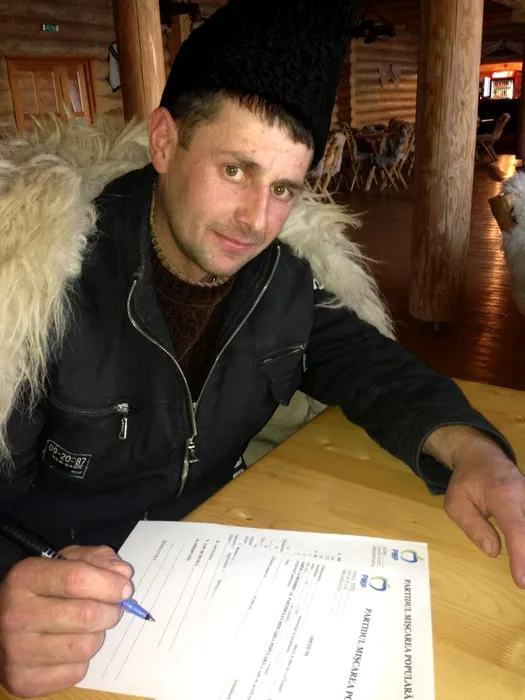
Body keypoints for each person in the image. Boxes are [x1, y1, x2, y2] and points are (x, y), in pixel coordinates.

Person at [0, 0, 524, 696]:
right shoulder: (35, 289)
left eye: (282, 188)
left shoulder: (282, 280)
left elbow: (368, 365)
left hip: (215, 589)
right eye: (234, 170)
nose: (256, 221)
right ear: (164, 143)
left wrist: (471, 449)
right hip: (65, 619)